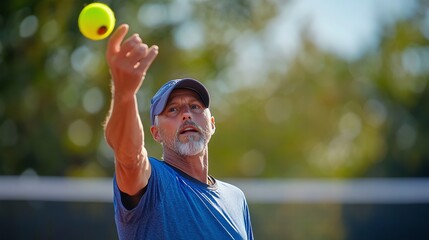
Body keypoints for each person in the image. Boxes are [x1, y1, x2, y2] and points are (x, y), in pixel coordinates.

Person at [104, 23, 254, 240]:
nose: (186, 114)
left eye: (195, 106)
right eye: (172, 109)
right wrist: (124, 94)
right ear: (155, 133)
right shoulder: (153, 182)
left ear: (211, 123)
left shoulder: (236, 198)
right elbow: (128, 154)